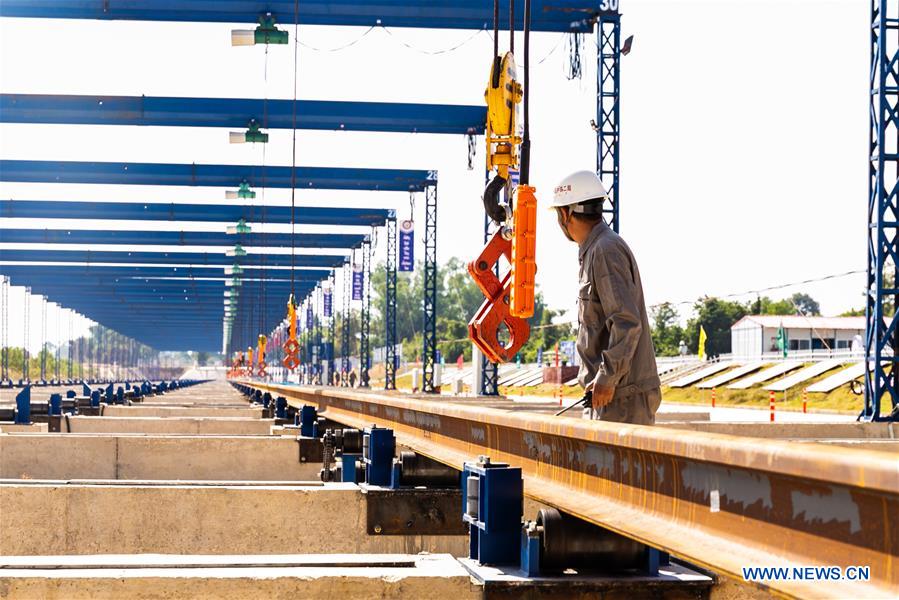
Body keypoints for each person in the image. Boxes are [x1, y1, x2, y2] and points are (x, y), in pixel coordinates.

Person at [549, 170, 661, 425]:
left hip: (621, 398)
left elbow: (626, 322)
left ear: (566, 214)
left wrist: (607, 378)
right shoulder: (594, 250)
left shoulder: (605, 250)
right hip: (609, 396)